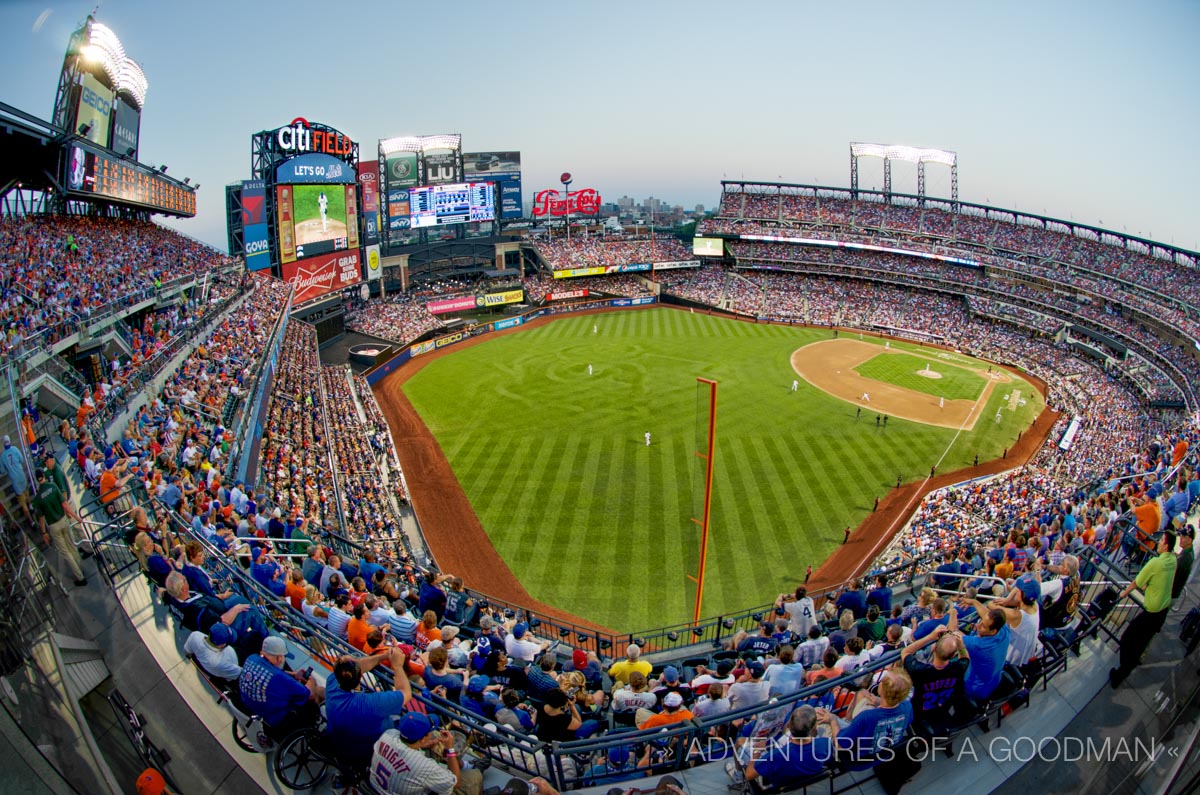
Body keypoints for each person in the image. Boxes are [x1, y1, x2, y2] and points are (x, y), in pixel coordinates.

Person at [325, 646, 414, 769]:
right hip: (367, 749)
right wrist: (398, 666)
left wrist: (383, 657)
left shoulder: (332, 682)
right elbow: (406, 693)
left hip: (339, 741)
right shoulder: (372, 703)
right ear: (361, 674)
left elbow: (360, 665)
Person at [1110, 531, 1178, 687]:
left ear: (1166, 545)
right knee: (1140, 644)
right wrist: (1149, 586)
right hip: (1162, 612)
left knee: (1127, 639)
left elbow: (1136, 583)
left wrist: (1123, 594)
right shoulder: (1173, 560)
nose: (1158, 542)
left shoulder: (1156, 562)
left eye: (1161, 540)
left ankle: (1120, 674)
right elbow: (1156, 579)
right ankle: (1128, 666)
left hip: (1151, 614)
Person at [370, 711, 483, 795]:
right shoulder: (425, 766)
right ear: (422, 738)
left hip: (374, 787)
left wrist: (422, 744)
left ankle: (463, 764)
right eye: (428, 732)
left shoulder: (388, 734)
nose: (431, 733)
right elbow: (455, 782)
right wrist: (450, 749)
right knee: (474, 776)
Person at [238, 635, 324, 739]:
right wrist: (311, 681)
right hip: (272, 719)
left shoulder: (252, 658)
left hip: (248, 705)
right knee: (312, 704)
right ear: (279, 657)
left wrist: (293, 674)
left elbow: (271, 670)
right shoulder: (279, 678)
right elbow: (308, 694)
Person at [835, 669, 913, 768]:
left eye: (882, 681)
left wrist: (833, 720)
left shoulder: (867, 716)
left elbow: (841, 744)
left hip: (855, 761)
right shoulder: (907, 706)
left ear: (882, 690)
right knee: (862, 692)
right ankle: (848, 722)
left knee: (819, 713)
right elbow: (907, 721)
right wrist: (880, 702)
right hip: (886, 752)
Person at [745, 706, 835, 787]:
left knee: (741, 742)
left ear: (789, 726)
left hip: (780, 786)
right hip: (808, 781)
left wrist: (757, 752)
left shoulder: (776, 756)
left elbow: (749, 775)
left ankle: (737, 774)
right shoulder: (825, 743)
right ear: (814, 728)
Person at [31, 467, 87, 586]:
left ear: (36, 480)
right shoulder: (53, 486)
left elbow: (41, 518)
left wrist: (44, 533)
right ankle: (81, 568)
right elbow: (65, 505)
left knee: (65, 552)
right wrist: (76, 517)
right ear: (44, 476)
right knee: (72, 545)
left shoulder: (38, 498)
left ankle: (80, 577)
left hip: (53, 525)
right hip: (64, 520)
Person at [1, 435, 33, 522]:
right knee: (26, 492)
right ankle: (31, 505)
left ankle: (31, 522)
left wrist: (9, 468)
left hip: (15, 480)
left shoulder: (3, 456)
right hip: (21, 475)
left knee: (22, 503)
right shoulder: (15, 449)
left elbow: (2, 471)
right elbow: (22, 459)